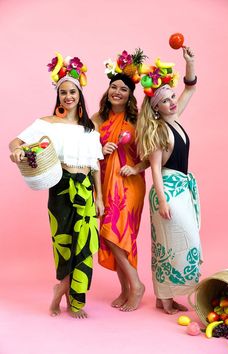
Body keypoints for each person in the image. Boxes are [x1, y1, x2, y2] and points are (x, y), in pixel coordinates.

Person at [9, 52, 104, 319]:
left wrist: (100, 198)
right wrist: (17, 152)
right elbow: (15, 142)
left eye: (72, 91)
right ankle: (61, 288)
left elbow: (96, 165)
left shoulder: (90, 129)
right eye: (63, 93)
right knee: (63, 243)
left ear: (79, 94)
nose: (68, 97)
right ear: (58, 96)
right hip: (60, 186)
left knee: (84, 245)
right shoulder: (47, 123)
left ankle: (75, 301)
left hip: (85, 187)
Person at [136, 47, 202, 314]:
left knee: (186, 244)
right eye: (165, 100)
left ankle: (170, 296)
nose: (173, 102)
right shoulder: (159, 130)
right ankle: (164, 298)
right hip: (167, 190)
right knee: (168, 243)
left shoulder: (174, 119)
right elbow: (154, 169)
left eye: (172, 97)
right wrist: (162, 200)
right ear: (156, 108)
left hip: (181, 189)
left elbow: (190, 89)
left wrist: (190, 63)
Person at [91, 49, 149, 312]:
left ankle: (136, 286)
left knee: (117, 236)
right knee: (112, 236)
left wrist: (136, 168)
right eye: (113, 87)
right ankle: (125, 289)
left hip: (129, 184)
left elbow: (151, 156)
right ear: (108, 91)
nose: (117, 92)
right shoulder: (97, 119)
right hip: (104, 182)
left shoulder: (137, 121)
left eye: (123, 89)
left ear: (130, 95)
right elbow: (85, 152)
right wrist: (98, 152)